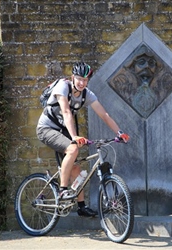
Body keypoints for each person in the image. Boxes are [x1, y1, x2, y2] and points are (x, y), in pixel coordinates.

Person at [36, 62, 130, 217]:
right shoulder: (62, 87)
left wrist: (120, 132)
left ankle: (81, 207)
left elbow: (104, 115)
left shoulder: (87, 94)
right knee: (73, 149)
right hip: (47, 128)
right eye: (79, 79)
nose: (82, 83)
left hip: (64, 129)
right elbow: (66, 112)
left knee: (77, 169)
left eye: (85, 80)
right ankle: (62, 190)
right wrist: (74, 137)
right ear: (73, 77)